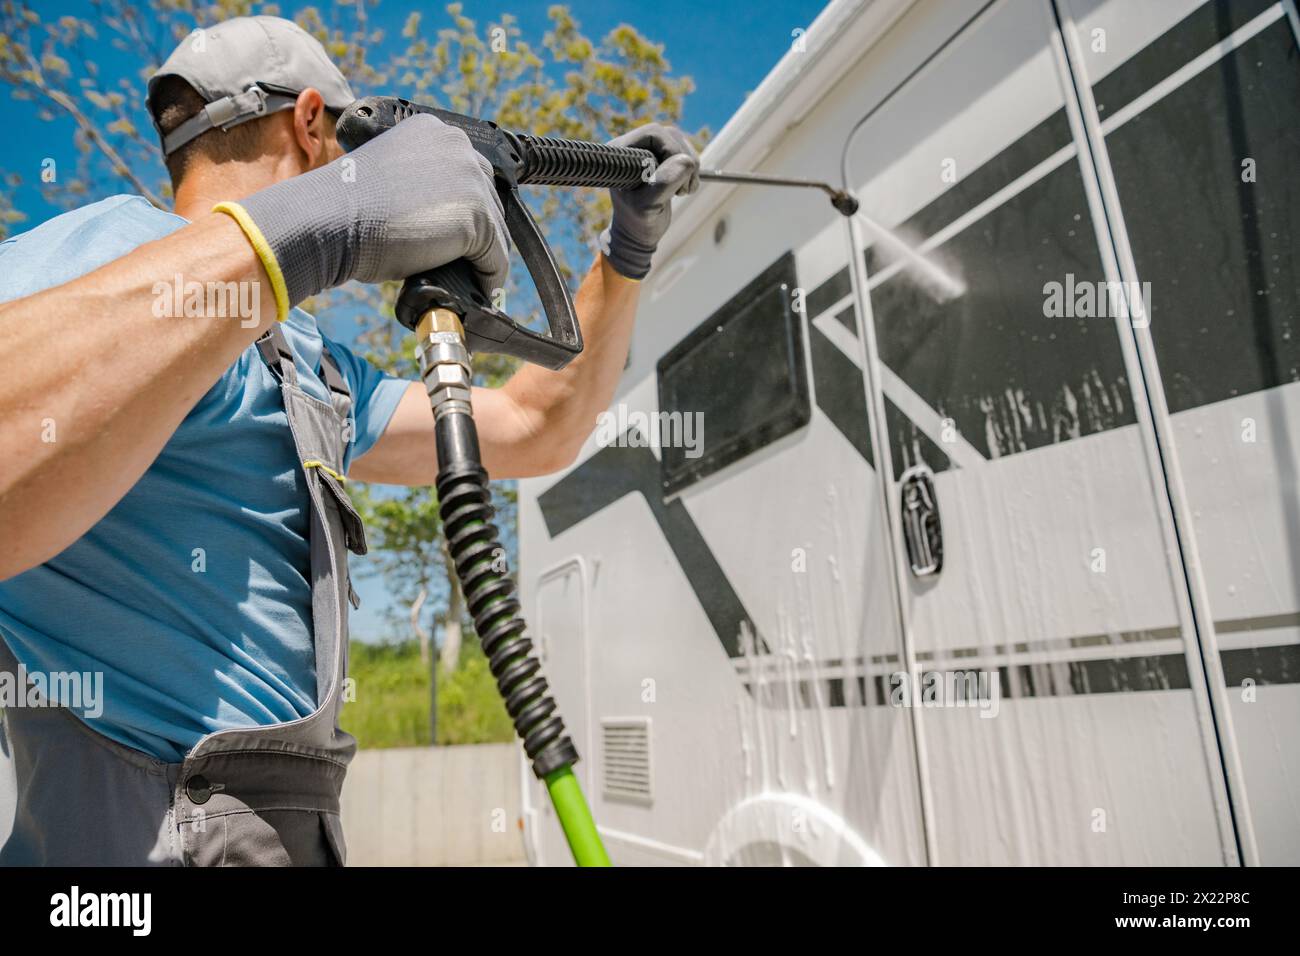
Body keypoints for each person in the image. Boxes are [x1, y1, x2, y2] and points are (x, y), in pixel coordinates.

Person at [0, 15, 699, 866]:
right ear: (308, 122)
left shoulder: (303, 364)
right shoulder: (98, 254)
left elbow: (532, 428)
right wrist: (324, 224)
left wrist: (624, 251)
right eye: (349, 147)